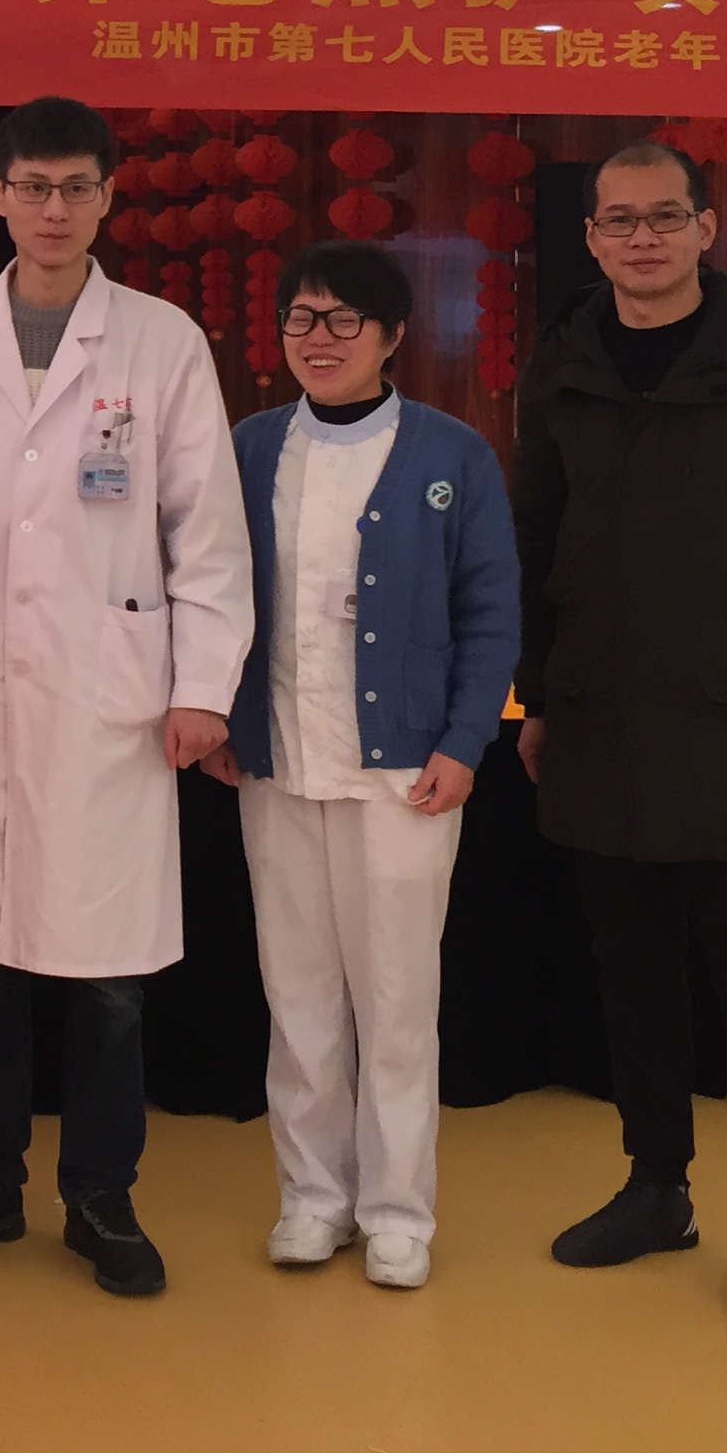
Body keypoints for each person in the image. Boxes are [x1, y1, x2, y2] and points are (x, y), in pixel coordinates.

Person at [0, 97, 251, 1298]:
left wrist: (204, 687)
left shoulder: (159, 339)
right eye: (32, 187)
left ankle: (101, 1193)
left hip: (109, 693)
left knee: (107, 976)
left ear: (106, 197)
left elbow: (206, 525)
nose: (53, 209)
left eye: (75, 188)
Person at [513, 138, 727, 1330]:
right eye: (619, 221)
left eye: (666, 217)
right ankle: (656, 1186)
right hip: (601, 716)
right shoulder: (563, 358)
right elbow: (533, 536)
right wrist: (538, 696)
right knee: (632, 978)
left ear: (709, 229)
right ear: (592, 238)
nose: (643, 239)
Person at [202, 240, 515, 1293]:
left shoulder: (452, 455)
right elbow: (210, 590)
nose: (319, 338)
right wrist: (223, 717)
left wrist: (464, 742)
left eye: (344, 320)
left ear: (391, 338)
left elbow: (491, 611)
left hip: (405, 774)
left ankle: (396, 1212)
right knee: (296, 995)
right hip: (278, 764)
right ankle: (312, 1199)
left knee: (395, 1000)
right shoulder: (248, 448)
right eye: (301, 318)